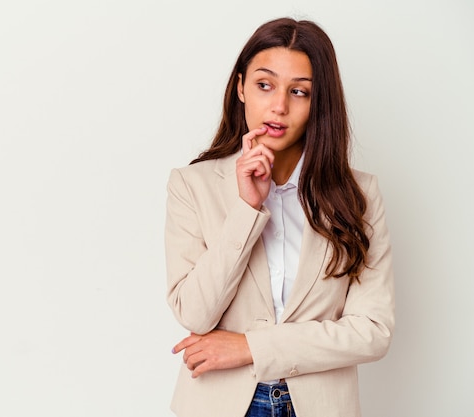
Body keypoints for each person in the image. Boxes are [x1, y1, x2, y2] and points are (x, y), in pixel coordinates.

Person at [164, 17, 394, 417]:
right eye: (264, 85)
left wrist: (251, 346)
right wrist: (247, 209)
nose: (279, 106)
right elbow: (194, 313)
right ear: (240, 87)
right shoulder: (191, 185)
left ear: (318, 101)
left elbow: (372, 332)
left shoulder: (358, 195)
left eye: (299, 91)